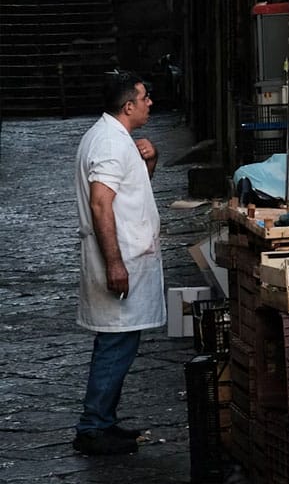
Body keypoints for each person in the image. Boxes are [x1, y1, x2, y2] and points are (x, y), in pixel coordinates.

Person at [73, 72, 164, 456]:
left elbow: (131, 191)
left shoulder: (116, 138)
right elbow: (100, 202)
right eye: (144, 98)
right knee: (115, 344)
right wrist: (115, 263)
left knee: (118, 343)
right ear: (128, 106)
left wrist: (152, 159)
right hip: (121, 257)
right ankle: (93, 427)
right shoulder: (110, 142)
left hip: (129, 253)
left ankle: (103, 421)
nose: (150, 103)